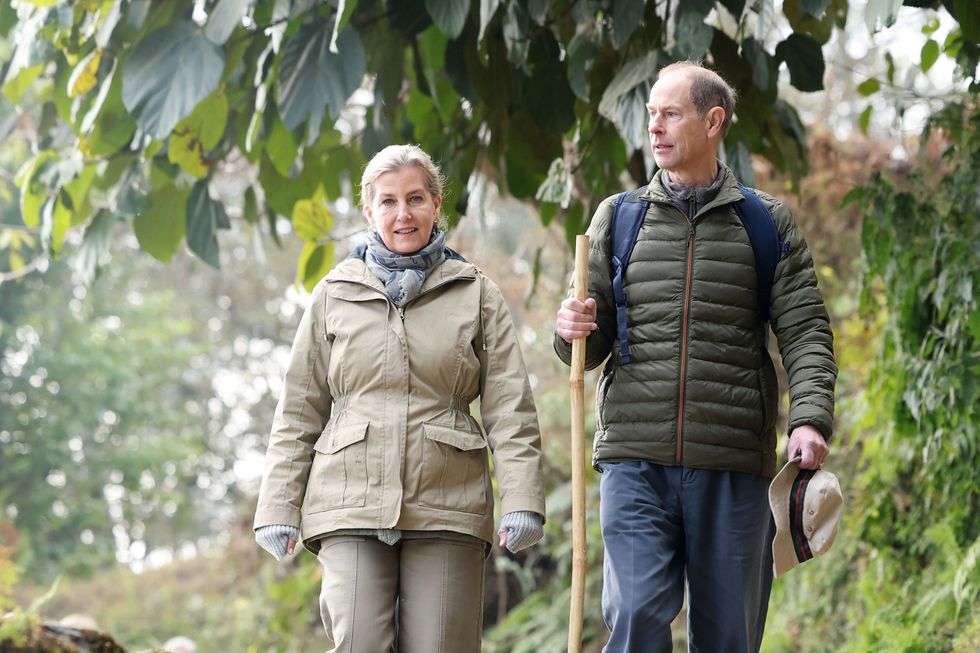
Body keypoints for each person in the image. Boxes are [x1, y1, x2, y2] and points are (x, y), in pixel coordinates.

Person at [553, 61, 837, 652]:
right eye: (650, 114)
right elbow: (588, 343)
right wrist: (571, 329)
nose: (653, 128)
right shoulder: (618, 216)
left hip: (734, 463)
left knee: (729, 638)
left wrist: (809, 417)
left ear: (714, 121)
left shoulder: (765, 223)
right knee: (633, 617)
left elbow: (805, 328)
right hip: (636, 460)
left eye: (670, 114)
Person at [254, 144, 546, 652]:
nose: (402, 213)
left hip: (448, 501)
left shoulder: (476, 293)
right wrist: (278, 505)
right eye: (387, 202)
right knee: (358, 642)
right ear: (370, 212)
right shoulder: (333, 294)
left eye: (415, 198)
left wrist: (522, 500)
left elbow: (510, 411)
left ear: (436, 205)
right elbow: (299, 410)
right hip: (349, 499)